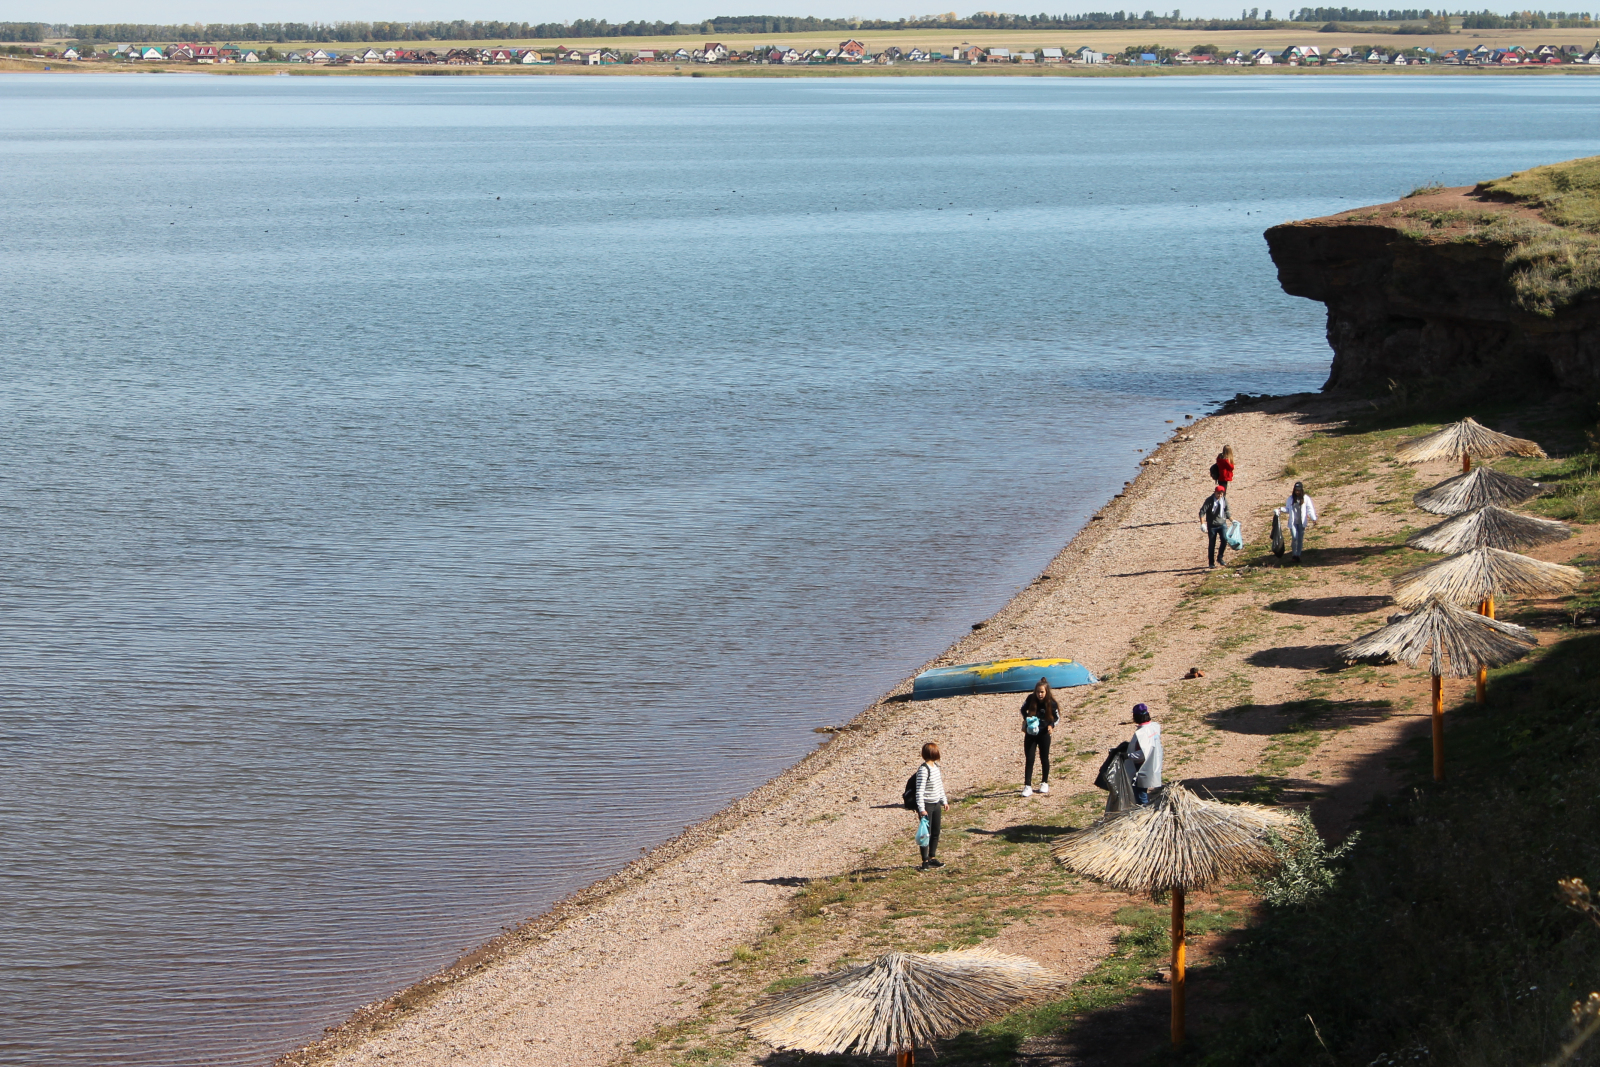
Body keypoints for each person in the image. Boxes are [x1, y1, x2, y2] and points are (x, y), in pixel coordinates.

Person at [1019, 677, 1060, 797]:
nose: (1039, 694)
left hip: (1044, 734)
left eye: (1042, 692)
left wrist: (1051, 725)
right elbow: (1023, 709)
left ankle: (1044, 782)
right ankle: (1027, 786)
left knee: (1044, 758)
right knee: (1030, 759)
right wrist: (1027, 720)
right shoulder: (1030, 699)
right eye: (1037, 692)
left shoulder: (1052, 703)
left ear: (1046, 692)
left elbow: (1057, 718)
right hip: (1031, 733)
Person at [913, 742, 948, 870]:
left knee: (935, 832)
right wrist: (922, 809)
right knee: (925, 834)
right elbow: (919, 791)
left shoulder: (936, 767)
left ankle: (932, 857)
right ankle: (925, 861)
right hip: (927, 805)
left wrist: (944, 801)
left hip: (936, 803)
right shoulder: (923, 770)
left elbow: (940, 786)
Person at [1126, 704, 1163, 805]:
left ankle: (1144, 811)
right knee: (1143, 790)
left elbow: (1142, 754)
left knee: (1140, 793)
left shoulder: (1142, 733)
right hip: (1154, 761)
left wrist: (1127, 755)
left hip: (1142, 766)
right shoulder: (1154, 726)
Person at [1284, 481, 1318, 565]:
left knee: (1300, 539)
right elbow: (1287, 509)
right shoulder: (1291, 499)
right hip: (1293, 522)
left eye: (1298, 490)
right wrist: (1280, 509)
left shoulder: (1306, 498)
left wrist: (1313, 518)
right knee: (1294, 537)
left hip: (1301, 522)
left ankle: (1298, 555)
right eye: (1296, 490)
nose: (1297, 492)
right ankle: (1294, 554)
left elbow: (1310, 509)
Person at [1198, 485, 1232, 568]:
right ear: (1214, 492)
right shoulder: (1209, 500)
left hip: (1222, 523)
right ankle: (1211, 562)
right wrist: (1202, 523)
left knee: (1224, 540)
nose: (1219, 496)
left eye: (1221, 494)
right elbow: (1202, 512)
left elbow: (1227, 511)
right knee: (1212, 543)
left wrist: (1233, 520)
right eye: (1218, 494)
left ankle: (1220, 557)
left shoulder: (1224, 500)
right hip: (1212, 525)